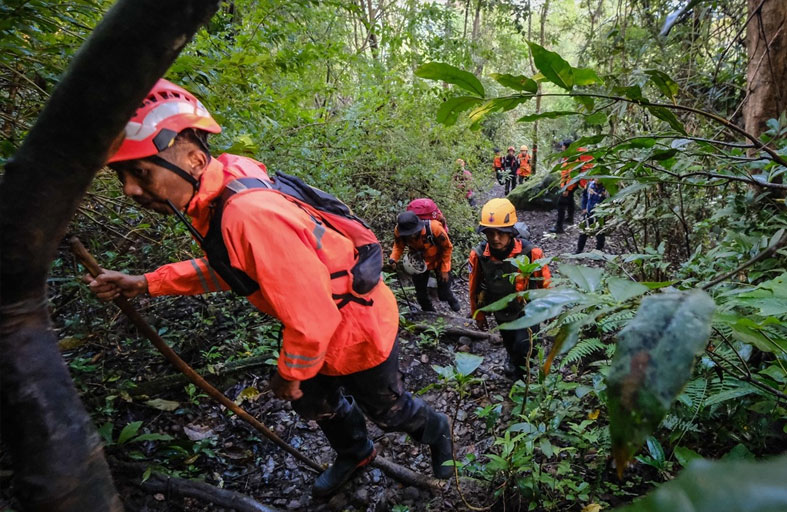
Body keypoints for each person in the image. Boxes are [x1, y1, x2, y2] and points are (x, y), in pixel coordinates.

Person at [82, 79, 453, 497]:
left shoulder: (248, 214)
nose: (130, 188)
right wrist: (147, 283)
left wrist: (287, 375)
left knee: (388, 410)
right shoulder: (219, 196)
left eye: (141, 172)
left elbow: (313, 319)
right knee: (316, 403)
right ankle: (356, 452)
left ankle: (438, 431)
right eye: (123, 176)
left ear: (193, 159)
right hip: (315, 330)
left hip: (355, 329)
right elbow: (233, 270)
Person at [469, 199, 552, 379]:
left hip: (527, 311)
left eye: (501, 233)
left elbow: (545, 283)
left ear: (511, 232)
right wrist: (478, 313)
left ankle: (522, 378)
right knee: (508, 339)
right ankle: (512, 358)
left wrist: (551, 308)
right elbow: (474, 285)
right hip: (501, 310)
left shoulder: (531, 253)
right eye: (490, 233)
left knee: (524, 346)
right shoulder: (479, 255)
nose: (495, 238)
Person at [389, 211, 461, 312]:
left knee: (444, 292)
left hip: (439, 260)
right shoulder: (399, 231)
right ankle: (429, 313)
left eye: (411, 233)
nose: (409, 236)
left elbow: (447, 248)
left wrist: (445, 269)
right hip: (418, 263)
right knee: (421, 294)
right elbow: (398, 245)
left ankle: (451, 300)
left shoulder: (435, 228)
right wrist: (394, 258)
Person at [550, 141, 593, 234]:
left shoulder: (572, 158)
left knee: (561, 203)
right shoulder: (574, 155)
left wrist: (566, 188)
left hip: (571, 183)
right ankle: (570, 218)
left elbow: (570, 175)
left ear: (566, 147)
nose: (561, 148)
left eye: (563, 146)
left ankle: (559, 227)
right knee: (570, 200)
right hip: (577, 181)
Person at [577, 178, 608, 253]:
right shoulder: (589, 185)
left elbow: (611, 199)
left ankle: (598, 251)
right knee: (583, 232)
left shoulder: (606, 188)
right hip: (588, 212)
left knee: (600, 233)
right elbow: (584, 196)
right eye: (596, 177)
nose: (597, 179)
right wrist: (584, 208)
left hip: (600, 214)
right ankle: (579, 250)